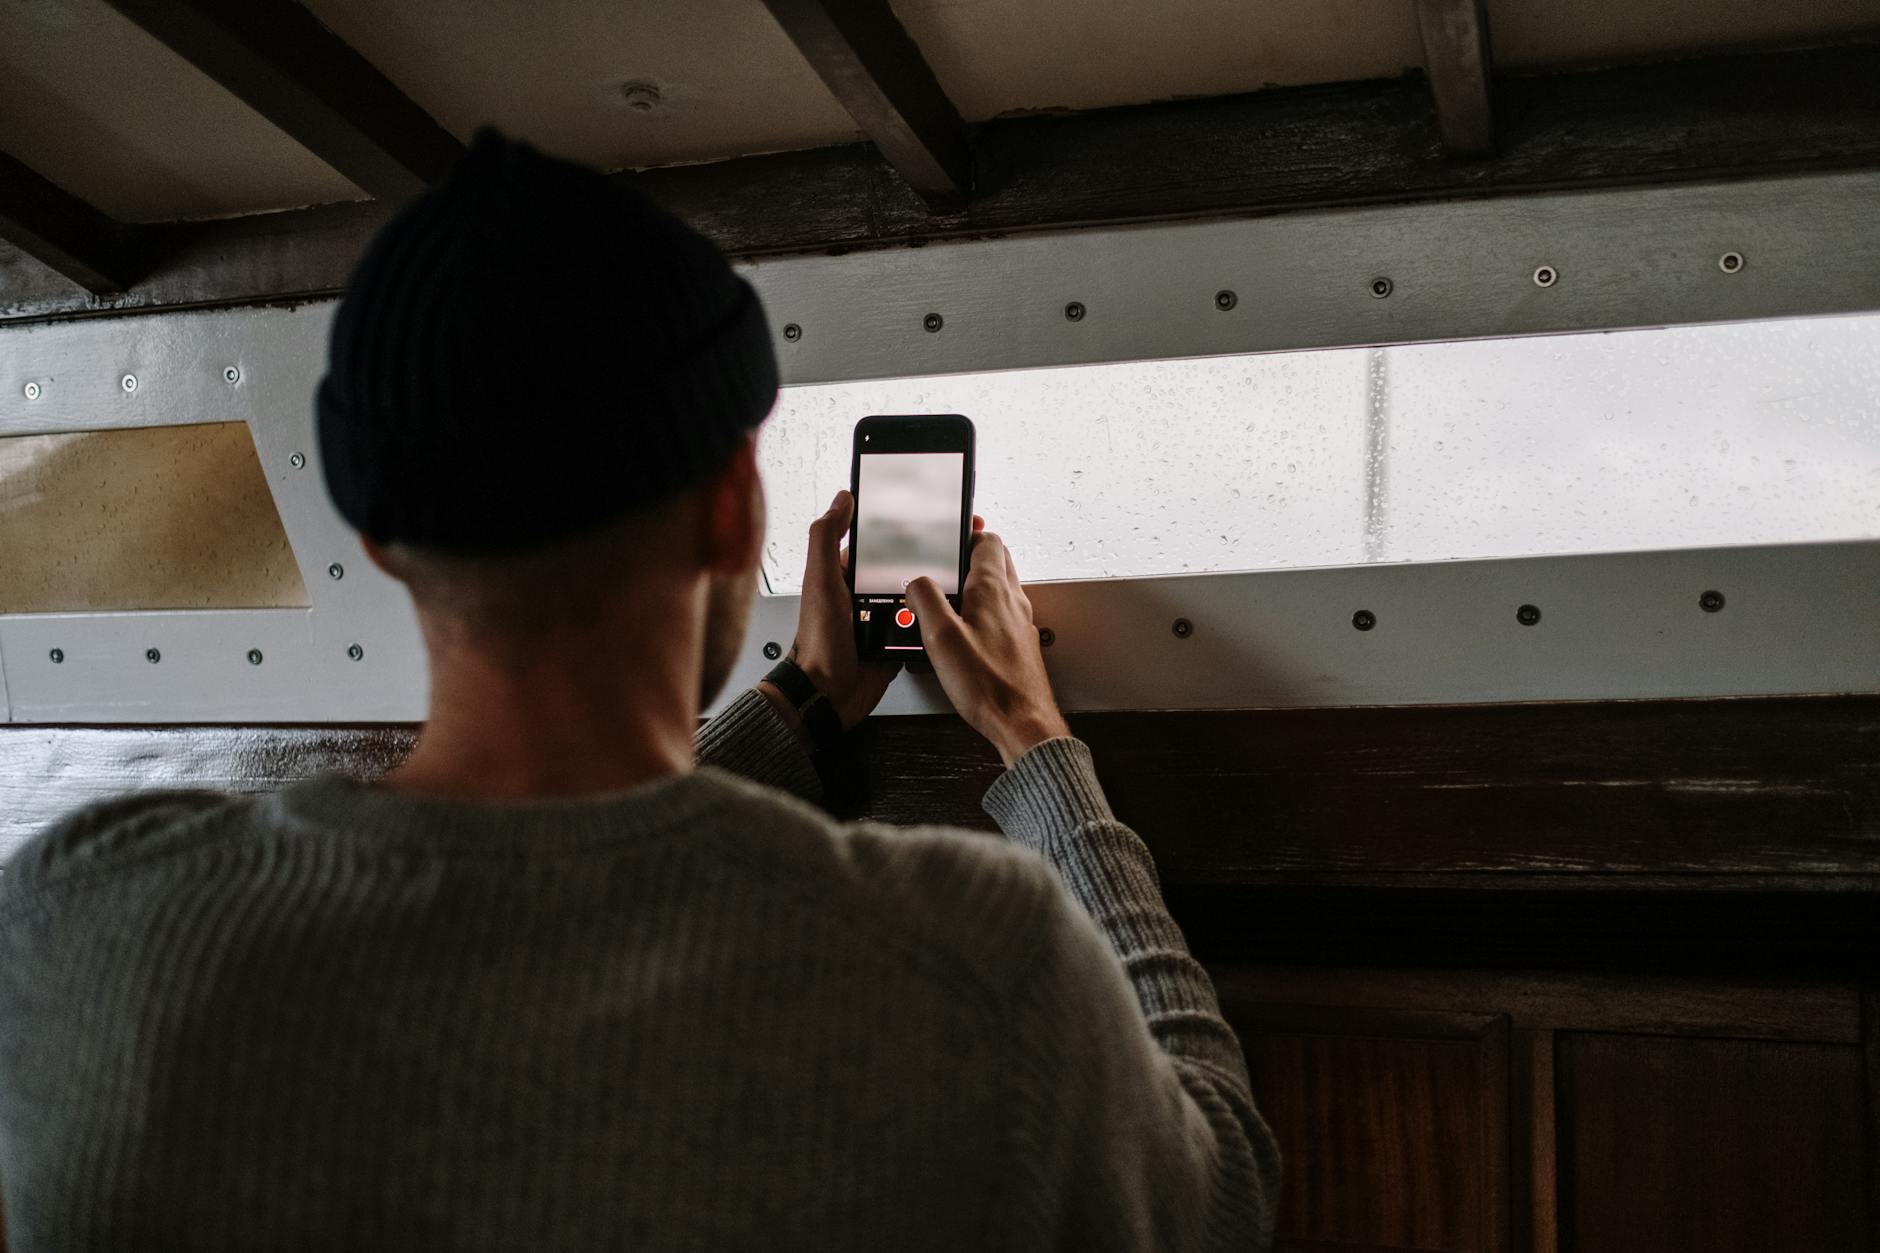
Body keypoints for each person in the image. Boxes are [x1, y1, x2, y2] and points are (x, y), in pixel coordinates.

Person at [0, 131, 1278, 1251]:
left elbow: (532, 886)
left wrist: (803, 704)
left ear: (379, 531)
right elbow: (1217, 1192)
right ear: (732, 509)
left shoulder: (81, 928)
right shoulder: (971, 961)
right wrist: (1032, 739)